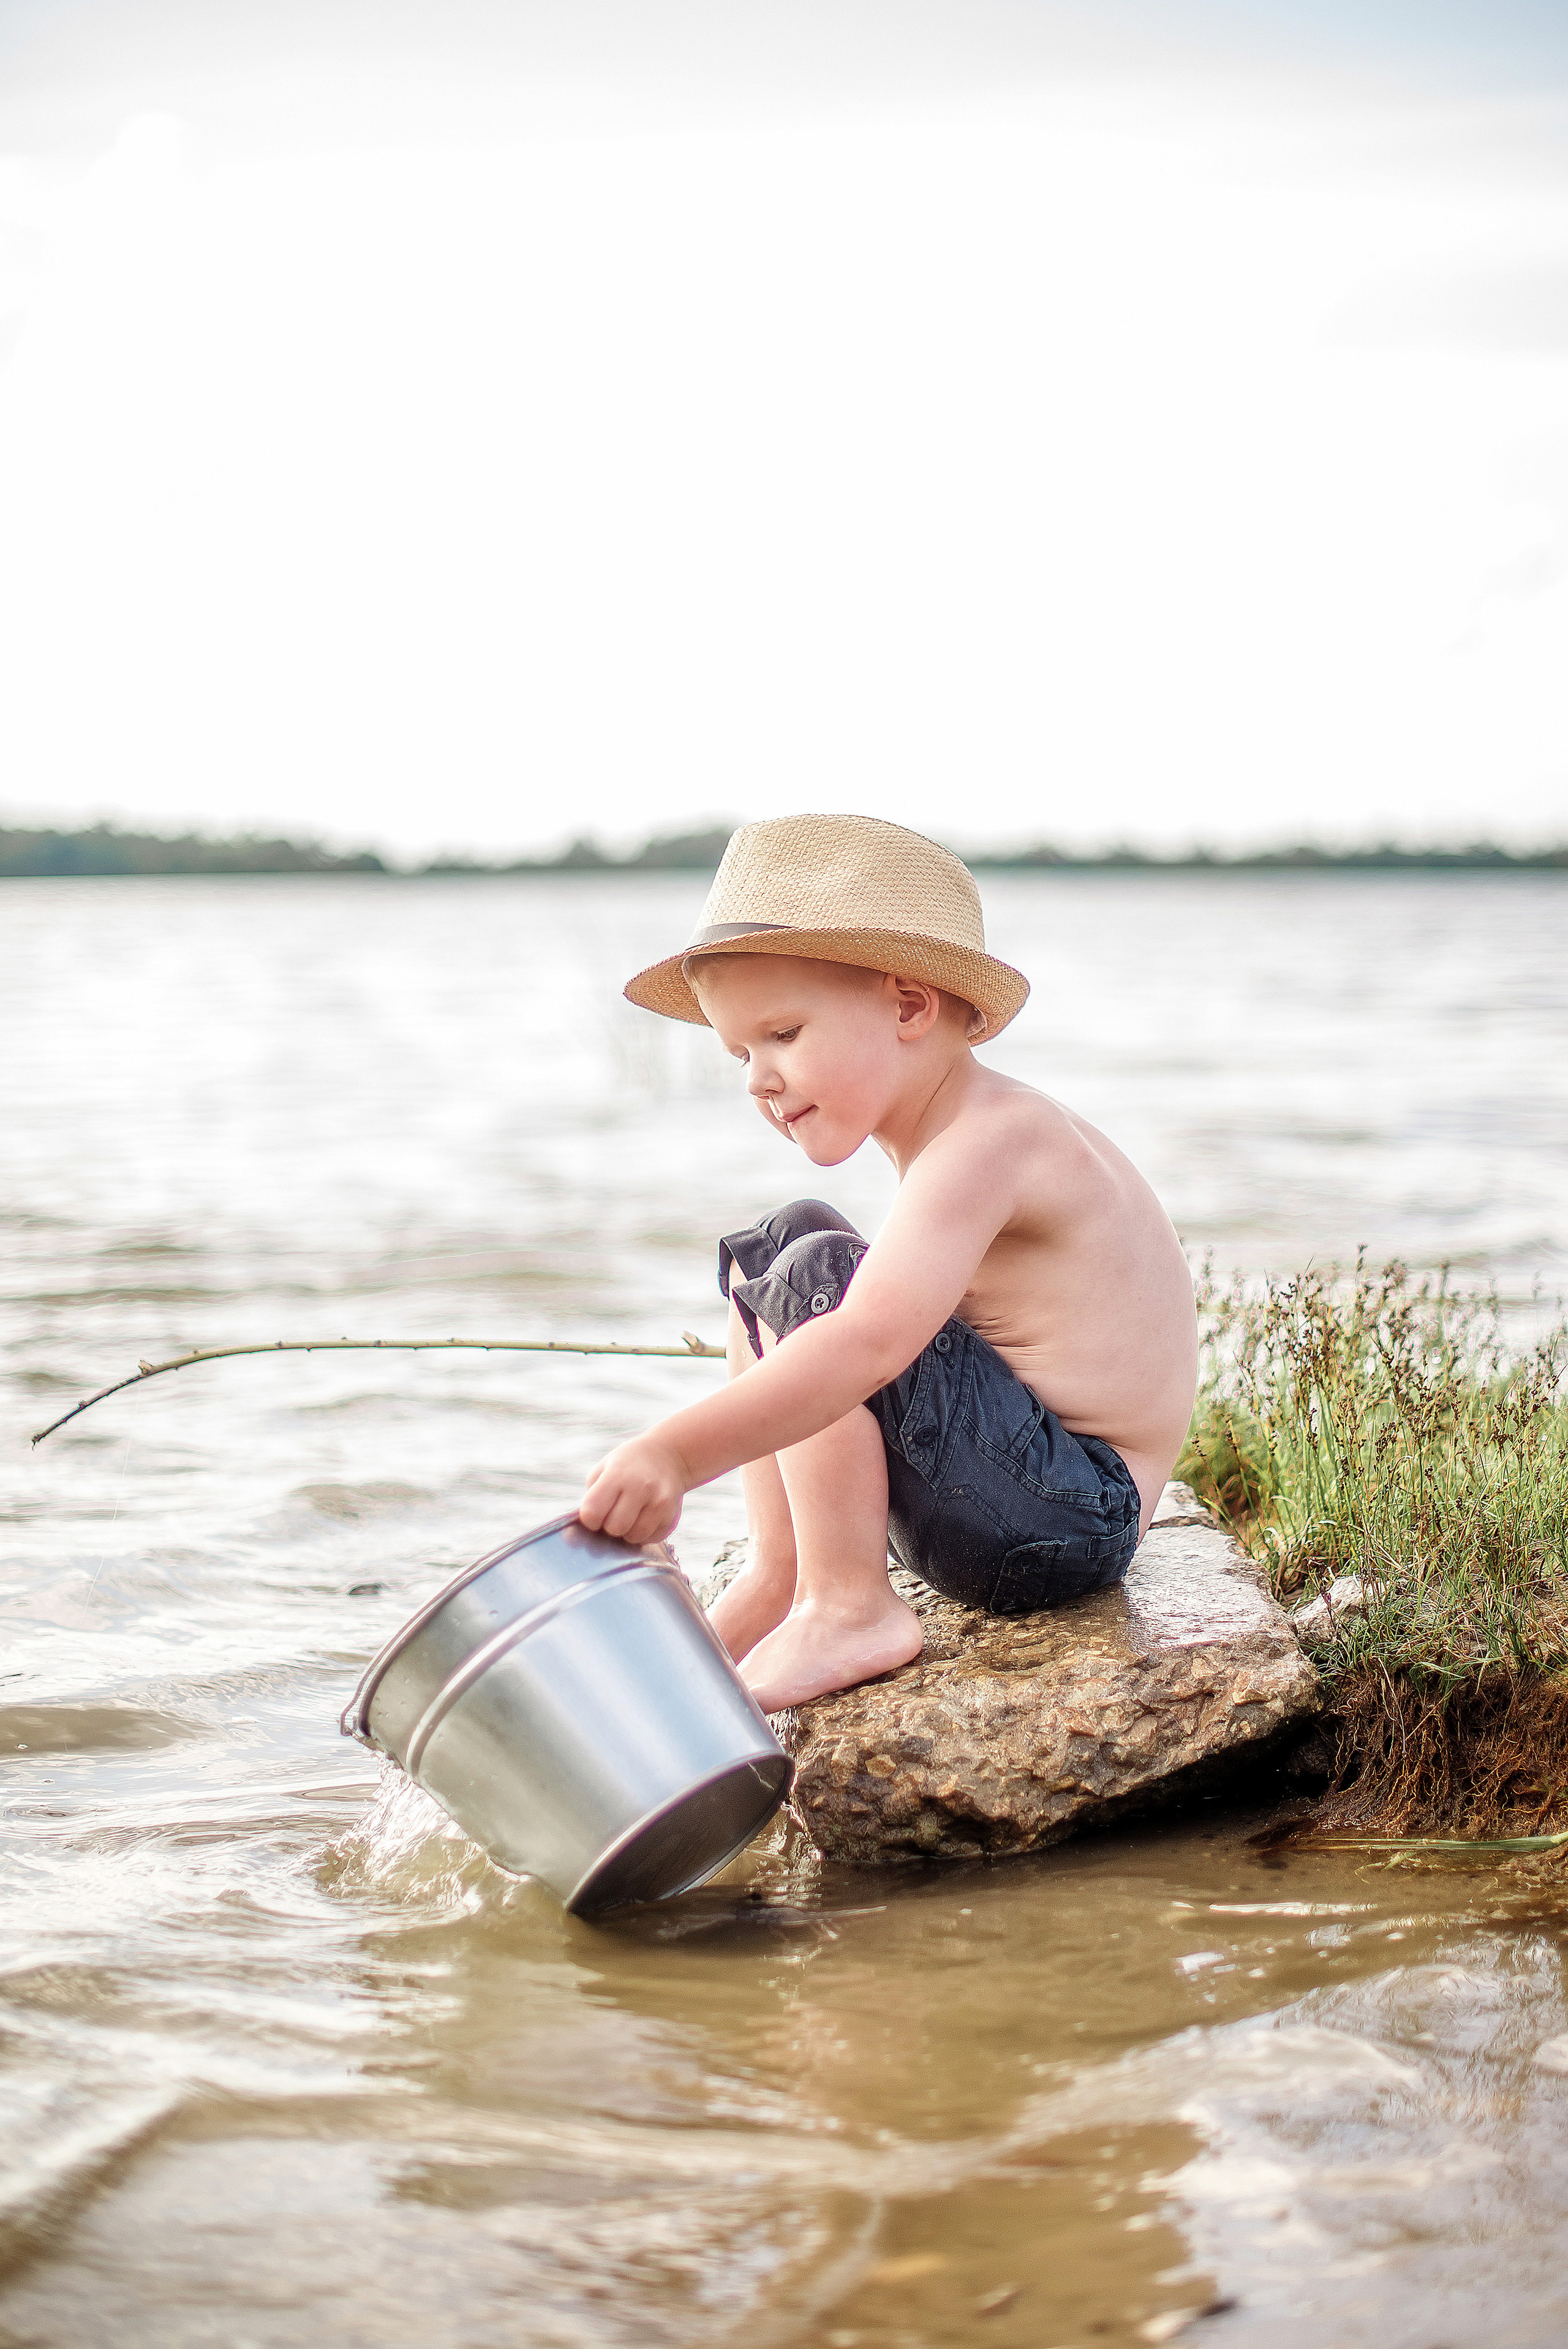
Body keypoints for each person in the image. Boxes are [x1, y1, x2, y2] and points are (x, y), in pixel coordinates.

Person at [578, 812, 1198, 1712]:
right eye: (741, 1052)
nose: (756, 1077)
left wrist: (675, 1454)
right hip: (1029, 1492)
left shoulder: (992, 1141)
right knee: (782, 1245)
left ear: (910, 1007)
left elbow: (869, 1344)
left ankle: (850, 1603)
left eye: (783, 1033)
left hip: (1070, 1516)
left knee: (818, 1279)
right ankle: (780, 1574)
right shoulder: (957, 1130)